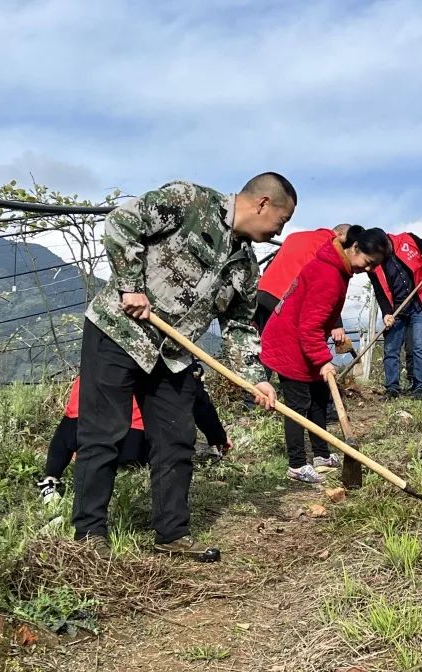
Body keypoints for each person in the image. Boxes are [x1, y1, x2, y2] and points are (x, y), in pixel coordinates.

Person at [73, 173, 294, 561]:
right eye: (282, 219)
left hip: (173, 356)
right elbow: (122, 222)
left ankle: (172, 533)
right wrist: (129, 285)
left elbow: (240, 327)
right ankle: (90, 535)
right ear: (263, 204)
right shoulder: (189, 201)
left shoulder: (244, 267)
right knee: (103, 432)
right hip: (120, 332)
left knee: (176, 440)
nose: (280, 228)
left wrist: (257, 379)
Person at [260, 226, 391, 483]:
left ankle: (321, 454)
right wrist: (323, 361)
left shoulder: (338, 269)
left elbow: (319, 317)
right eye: (368, 262)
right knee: (298, 406)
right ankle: (297, 465)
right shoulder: (329, 275)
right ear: (354, 248)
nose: (369, 269)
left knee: (319, 400)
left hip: (304, 341)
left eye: (374, 266)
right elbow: (308, 326)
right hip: (290, 343)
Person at [37, 362, 230, 503]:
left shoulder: (97, 362)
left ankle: (50, 478)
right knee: (172, 438)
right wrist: (218, 438)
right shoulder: (167, 364)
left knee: (68, 423)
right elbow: (200, 405)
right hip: (132, 443)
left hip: (85, 436)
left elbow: (72, 418)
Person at [369, 232, 422, 400]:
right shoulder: (373, 262)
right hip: (397, 309)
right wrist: (387, 313)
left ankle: (421, 387)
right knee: (391, 348)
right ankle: (392, 388)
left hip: (420, 304)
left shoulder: (408, 240)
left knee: (419, 346)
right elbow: (380, 292)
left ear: (386, 243)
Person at [255, 224, 351, 350]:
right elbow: (326, 285)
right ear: (340, 234)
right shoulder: (329, 246)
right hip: (282, 303)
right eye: (346, 244)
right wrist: (336, 324)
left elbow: (269, 265)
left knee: (263, 348)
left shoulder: (295, 237)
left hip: (261, 295)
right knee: (288, 353)